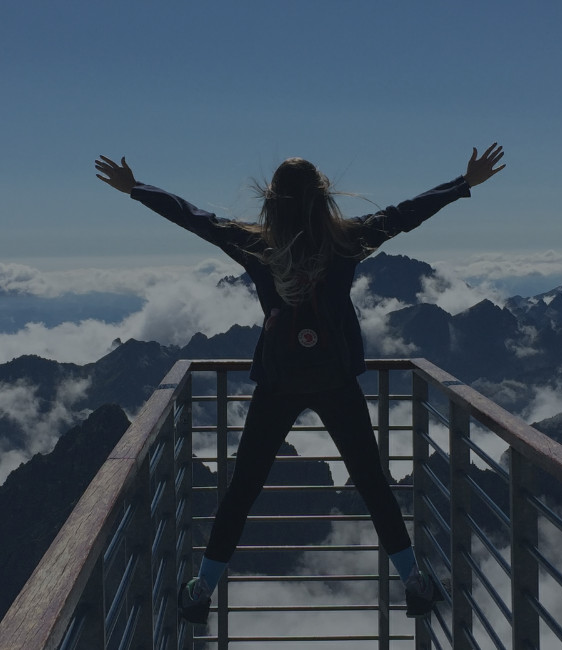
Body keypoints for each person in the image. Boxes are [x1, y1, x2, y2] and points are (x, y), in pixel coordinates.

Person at [93, 144, 506, 625]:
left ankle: (202, 587)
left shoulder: (255, 244)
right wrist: (464, 183)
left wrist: (136, 188)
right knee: (372, 482)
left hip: (279, 381)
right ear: (323, 195)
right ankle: (414, 578)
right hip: (334, 379)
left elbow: (193, 218)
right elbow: (406, 214)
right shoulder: (347, 241)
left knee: (243, 487)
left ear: (271, 199)